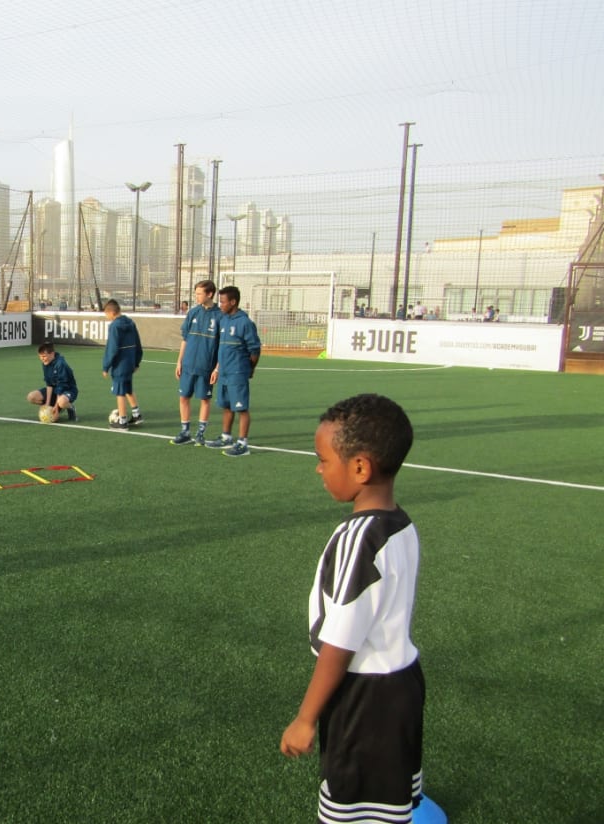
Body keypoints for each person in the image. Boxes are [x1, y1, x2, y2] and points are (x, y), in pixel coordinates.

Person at [280, 394, 425, 824]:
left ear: (360, 467)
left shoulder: (357, 538)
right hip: (402, 683)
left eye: (323, 459)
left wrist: (307, 718)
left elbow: (340, 640)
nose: (318, 469)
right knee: (387, 802)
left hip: (366, 698)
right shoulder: (400, 522)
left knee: (353, 811)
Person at [204, 286, 261, 457]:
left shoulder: (245, 323)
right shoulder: (224, 319)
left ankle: (243, 443)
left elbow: (255, 350)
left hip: (238, 372)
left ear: (233, 302)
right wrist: (218, 368)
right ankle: (226, 437)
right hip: (225, 372)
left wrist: (249, 369)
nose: (220, 304)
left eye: (222, 301)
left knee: (241, 408)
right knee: (226, 406)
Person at [171, 279, 220, 446]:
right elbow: (185, 339)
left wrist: (217, 368)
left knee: (204, 399)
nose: (196, 296)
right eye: (196, 293)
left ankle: (200, 433)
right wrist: (179, 362)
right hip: (188, 365)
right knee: (183, 397)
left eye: (199, 293)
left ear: (210, 294)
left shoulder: (220, 316)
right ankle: (185, 431)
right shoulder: (193, 313)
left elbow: (222, 345)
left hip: (206, 366)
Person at [102, 299, 143, 429]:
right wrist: (136, 362)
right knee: (128, 389)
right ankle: (136, 415)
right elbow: (138, 344)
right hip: (130, 362)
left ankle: (122, 421)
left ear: (111, 312)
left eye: (106, 314)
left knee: (120, 392)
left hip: (120, 364)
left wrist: (106, 366)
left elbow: (112, 348)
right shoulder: (131, 323)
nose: (106, 317)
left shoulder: (114, 326)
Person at [27, 342, 78, 422]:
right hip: (55, 390)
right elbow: (49, 384)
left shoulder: (61, 364)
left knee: (61, 402)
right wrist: (47, 404)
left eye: (44, 356)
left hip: (67, 389)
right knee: (31, 397)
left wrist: (56, 407)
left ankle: (70, 407)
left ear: (52, 354)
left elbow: (61, 386)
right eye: (40, 356)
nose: (42, 358)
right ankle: (53, 407)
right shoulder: (45, 363)